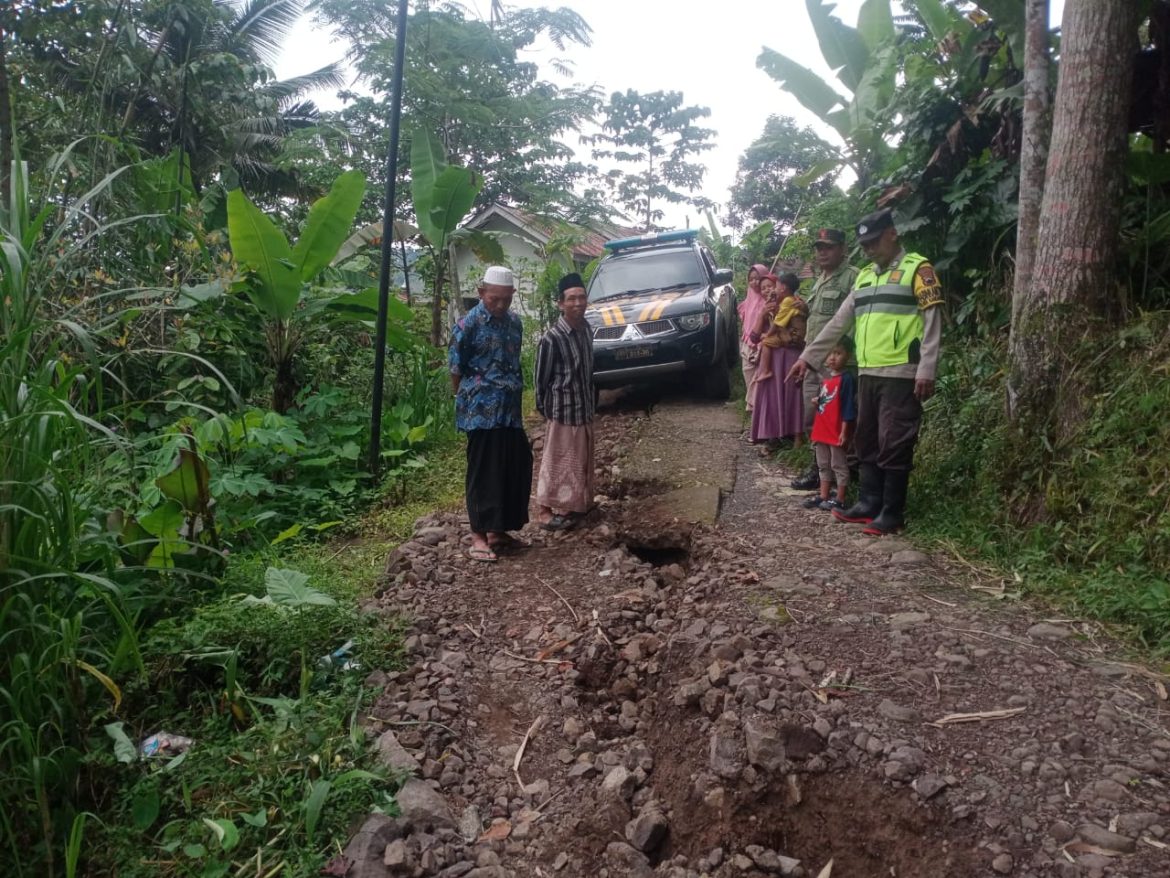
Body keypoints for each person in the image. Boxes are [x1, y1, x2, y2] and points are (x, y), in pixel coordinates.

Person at [786, 208, 943, 535]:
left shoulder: (918, 269)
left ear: (892, 234)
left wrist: (927, 368)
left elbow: (932, 321)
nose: (869, 249)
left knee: (894, 440)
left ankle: (891, 511)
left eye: (874, 242)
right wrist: (809, 357)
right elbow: (838, 322)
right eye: (865, 244)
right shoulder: (866, 277)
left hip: (902, 373)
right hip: (868, 372)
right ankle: (869, 503)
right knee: (867, 438)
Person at [449, 265, 533, 562]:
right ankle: (478, 536)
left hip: (509, 410)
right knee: (484, 472)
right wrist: (467, 399)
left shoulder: (514, 323)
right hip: (480, 411)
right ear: (481, 292)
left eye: (505, 299)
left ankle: (499, 531)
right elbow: (456, 370)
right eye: (493, 299)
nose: (499, 305)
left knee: (514, 466)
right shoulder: (467, 325)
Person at [791, 228, 859, 490]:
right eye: (819, 247)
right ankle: (820, 469)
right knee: (813, 417)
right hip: (813, 360)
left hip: (837, 364)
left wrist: (842, 358)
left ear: (843, 249)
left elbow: (851, 321)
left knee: (838, 419)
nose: (822, 252)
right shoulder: (820, 279)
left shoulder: (852, 278)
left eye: (828, 247)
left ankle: (846, 471)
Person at [534, 272, 595, 532]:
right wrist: (546, 410)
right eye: (572, 299)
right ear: (560, 304)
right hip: (562, 410)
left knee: (579, 459)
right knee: (555, 461)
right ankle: (545, 511)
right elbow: (540, 380)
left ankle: (573, 505)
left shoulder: (586, 330)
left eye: (582, 297)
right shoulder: (552, 338)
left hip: (584, 408)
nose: (578, 303)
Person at [750, 272, 807, 452]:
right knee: (771, 396)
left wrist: (805, 309)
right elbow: (753, 337)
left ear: (781, 287)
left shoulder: (792, 302)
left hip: (790, 354)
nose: (768, 290)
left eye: (771, 286)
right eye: (763, 288)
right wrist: (761, 315)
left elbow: (799, 323)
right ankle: (772, 436)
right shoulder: (762, 306)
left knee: (793, 393)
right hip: (772, 358)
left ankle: (796, 436)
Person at [801, 338, 857, 512]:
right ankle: (823, 495)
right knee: (823, 463)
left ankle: (840, 498)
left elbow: (848, 406)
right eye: (830, 353)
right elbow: (827, 399)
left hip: (836, 429)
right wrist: (818, 401)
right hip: (822, 427)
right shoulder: (825, 377)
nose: (833, 358)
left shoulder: (847, 379)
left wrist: (844, 431)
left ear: (848, 356)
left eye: (838, 353)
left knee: (838, 464)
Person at [738, 263, 770, 412]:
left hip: (762, 347)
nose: (754, 282)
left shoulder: (769, 301)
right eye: (751, 279)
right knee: (749, 378)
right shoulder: (747, 301)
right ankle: (754, 413)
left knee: (758, 382)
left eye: (758, 279)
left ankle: (759, 415)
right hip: (747, 347)